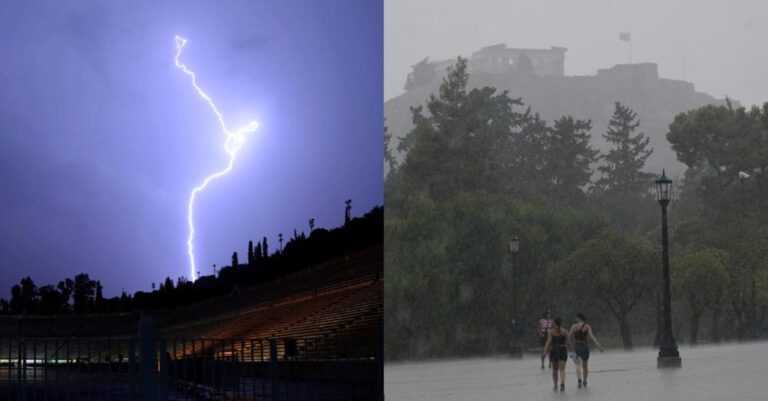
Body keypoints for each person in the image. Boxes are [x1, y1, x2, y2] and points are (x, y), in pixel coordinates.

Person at [568, 312, 603, 388]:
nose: (575, 319)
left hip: (577, 346)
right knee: (585, 365)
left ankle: (579, 379)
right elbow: (592, 337)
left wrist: (570, 346)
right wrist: (599, 346)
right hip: (585, 346)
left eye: (576, 318)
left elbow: (568, 337)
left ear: (578, 318)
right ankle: (585, 381)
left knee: (578, 364)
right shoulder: (587, 326)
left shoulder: (574, 326)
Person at [542, 317, 571, 392]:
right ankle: (562, 383)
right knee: (562, 369)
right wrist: (573, 351)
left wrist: (544, 351)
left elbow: (548, 342)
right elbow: (568, 342)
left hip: (554, 350)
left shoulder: (551, 332)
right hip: (563, 350)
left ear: (555, 323)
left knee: (555, 369)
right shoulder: (565, 331)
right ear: (561, 323)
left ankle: (555, 385)